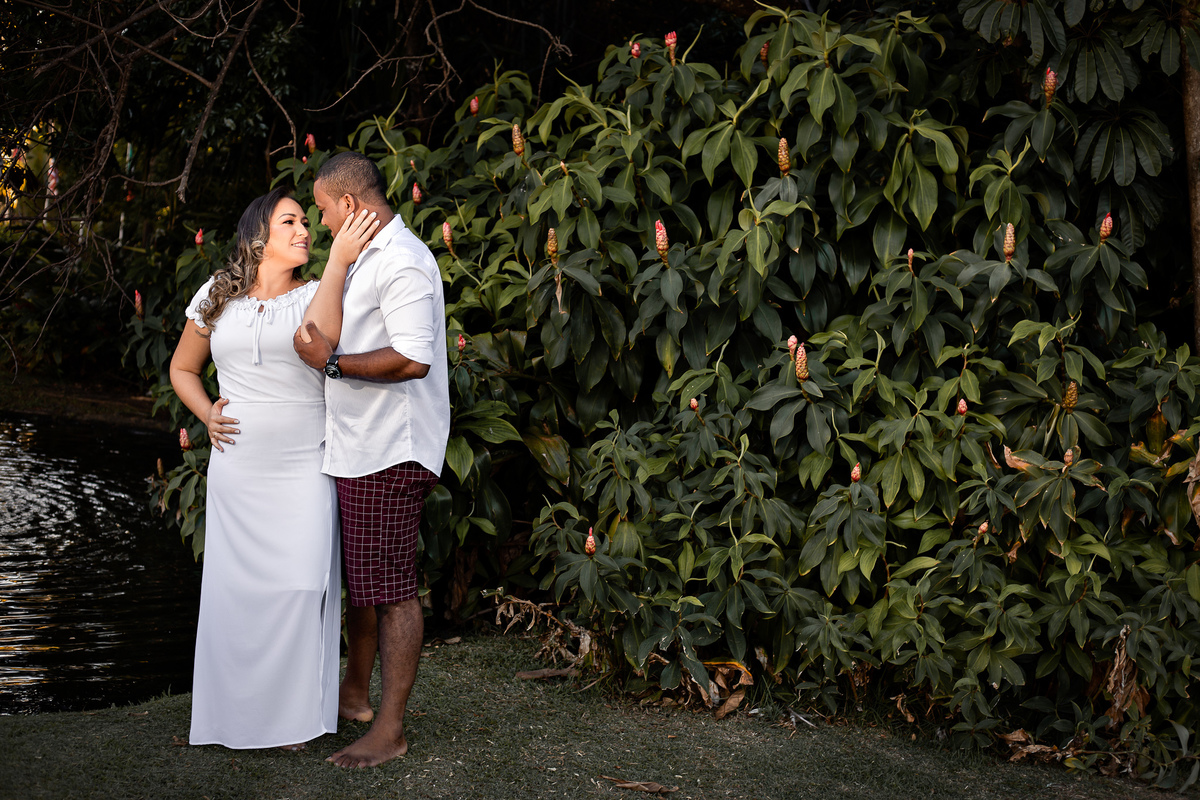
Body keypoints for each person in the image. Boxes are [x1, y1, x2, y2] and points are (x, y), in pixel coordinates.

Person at [170, 185, 378, 750]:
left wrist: (338, 262)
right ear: (258, 234)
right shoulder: (216, 293)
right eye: (290, 221)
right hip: (237, 469)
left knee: (301, 585)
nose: (305, 230)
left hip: (305, 462)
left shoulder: (318, 291)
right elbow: (183, 368)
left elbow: (319, 340)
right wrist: (206, 413)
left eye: (307, 221)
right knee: (237, 592)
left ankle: (292, 719)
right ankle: (233, 715)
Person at [293, 151, 450, 768]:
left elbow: (413, 358)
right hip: (361, 447)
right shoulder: (365, 257)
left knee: (392, 592)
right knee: (365, 585)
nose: (321, 222)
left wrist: (331, 365)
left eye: (323, 209)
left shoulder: (403, 259)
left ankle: (390, 731)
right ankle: (354, 696)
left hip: (391, 449)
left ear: (349, 204)